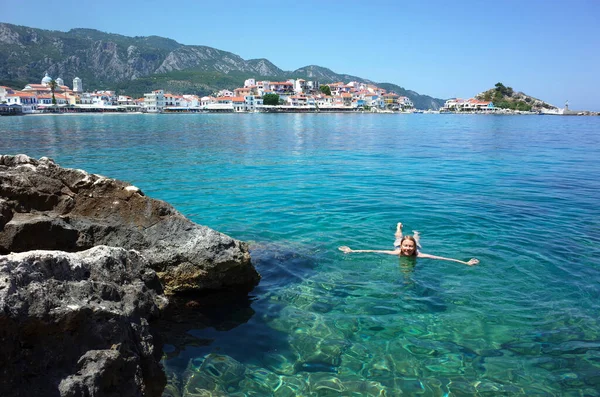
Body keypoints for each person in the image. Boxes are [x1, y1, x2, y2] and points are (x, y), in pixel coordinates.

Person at [338, 222, 479, 266]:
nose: (407, 248)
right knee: (398, 236)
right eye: (406, 246)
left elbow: (440, 258)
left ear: (414, 248)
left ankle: (416, 234)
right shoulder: (397, 250)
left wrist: (464, 263)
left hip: (416, 243)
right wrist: (353, 251)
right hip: (398, 242)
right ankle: (399, 227)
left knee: (416, 238)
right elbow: (374, 250)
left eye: (410, 246)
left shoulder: (419, 253)